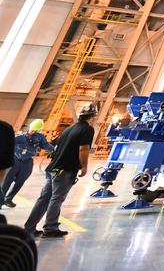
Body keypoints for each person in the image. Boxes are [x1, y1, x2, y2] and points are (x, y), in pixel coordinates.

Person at [25, 102, 96, 238]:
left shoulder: (69, 129)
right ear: (93, 117)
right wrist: (84, 166)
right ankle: (50, 228)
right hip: (65, 170)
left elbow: (56, 147)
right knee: (56, 199)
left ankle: (29, 228)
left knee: (44, 199)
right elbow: (83, 148)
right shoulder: (87, 129)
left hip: (53, 168)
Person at [2, 120, 54, 207]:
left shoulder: (40, 137)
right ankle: (0, 201)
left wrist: (55, 149)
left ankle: (8, 199)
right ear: (30, 127)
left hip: (27, 162)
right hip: (15, 161)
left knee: (20, 182)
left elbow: (46, 146)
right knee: (7, 181)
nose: (33, 131)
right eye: (33, 129)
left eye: (36, 130)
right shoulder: (19, 137)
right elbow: (8, 145)